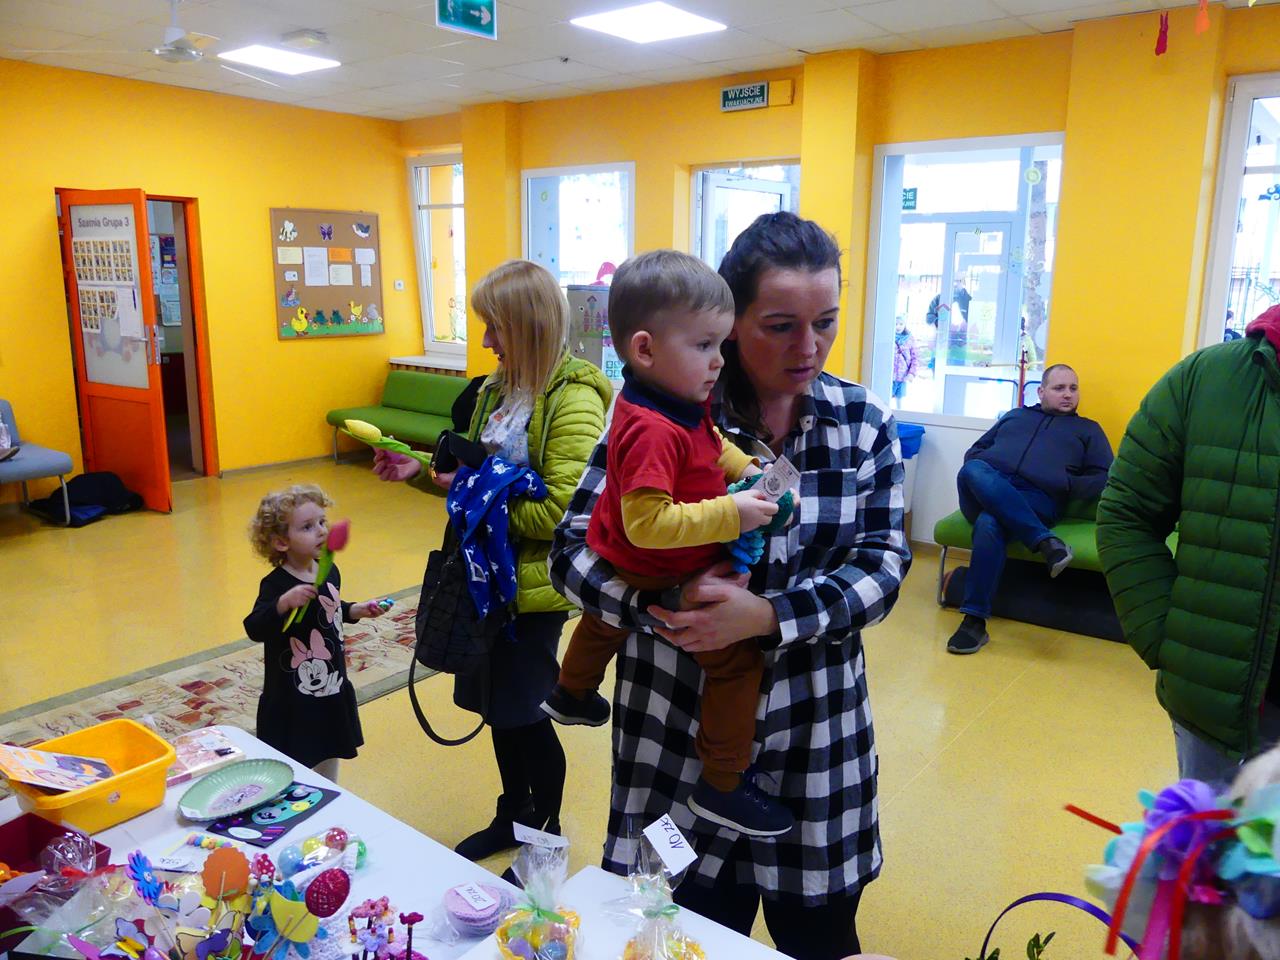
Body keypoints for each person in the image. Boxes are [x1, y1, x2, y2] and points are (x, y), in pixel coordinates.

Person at [549, 212, 911, 960]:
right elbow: (572, 552)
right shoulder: (658, 408)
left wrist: (766, 616)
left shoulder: (863, 423)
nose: (808, 347)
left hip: (816, 746)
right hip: (673, 747)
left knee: (820, 940)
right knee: (675, 937)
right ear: (730, 319)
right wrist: (658, 606)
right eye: (780, 326)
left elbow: (883, 566)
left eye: (825, 323)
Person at [539, 249, 792, 838]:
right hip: (654, 564)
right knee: (737, 664)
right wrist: (733, 514)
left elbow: (713, 446)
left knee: (604, 621)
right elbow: (648, 524)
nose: (718, 360)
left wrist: (746, 468)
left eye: (721, 344)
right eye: (704, 345)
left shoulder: (673, 401)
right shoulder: (653, 429)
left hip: (620, 557)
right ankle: (722, 781)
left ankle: (571, 692)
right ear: (645, 349)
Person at [373, 260, 611, 861]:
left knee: (525, 712)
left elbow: (561, 513)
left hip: (529, 590)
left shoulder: (575, 399)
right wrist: (418, 472)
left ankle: (544, 839)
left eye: (495, 327)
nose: (484, 341)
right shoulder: (495, 390)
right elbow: (470, 480)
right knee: (498, 712)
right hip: (483, 583)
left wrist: (468, 491)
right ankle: (512, 815)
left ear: (529, 325)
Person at [1098, 304, 1280, 785]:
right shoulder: (1203, 380)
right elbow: (1126, 512)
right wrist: (1167, 638)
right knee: (1210, 832)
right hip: (1217, 706)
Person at [946, 363, 1113, 655]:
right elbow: (974, 452)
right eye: (1059, 388)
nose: (1068, 394)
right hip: (985, 490)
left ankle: (973, 623)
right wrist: (994, 473)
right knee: (973, 469)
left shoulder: (1088, 430)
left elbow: (1104, 477)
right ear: (1041, 391)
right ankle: (1045, 541)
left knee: (990, 524)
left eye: (1073, 388)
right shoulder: (1015, 416)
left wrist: (1065, 483)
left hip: (1036, 499)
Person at [244, 484, 387, 782]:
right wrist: (283, 604)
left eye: (322, 522)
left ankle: (330, 792)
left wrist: (354, 610)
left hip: (331, 685)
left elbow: (328, 609)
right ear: (281, 542)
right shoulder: (275, 585)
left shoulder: (328, 569)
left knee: (330, 750)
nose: (321, 531)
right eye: (307, 527)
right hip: (293, 697)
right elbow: (254, 627)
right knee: (292, 764)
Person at [891, 315, 917, 405]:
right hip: (889, 376)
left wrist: (911, 373)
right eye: (896, 324)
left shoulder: (910, 339)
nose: (898, 327)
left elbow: (915, 358)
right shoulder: (889, 337)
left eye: (901, 324)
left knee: (899, 401)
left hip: (903, 376)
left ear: (905, 325)